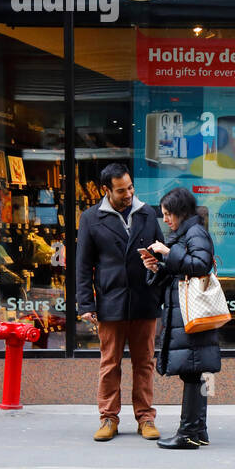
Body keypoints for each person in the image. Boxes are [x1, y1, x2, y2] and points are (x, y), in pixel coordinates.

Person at [75, 163, 164, 442]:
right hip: (110, 300)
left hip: (144, 299)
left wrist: (157, 265)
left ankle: (146, 417)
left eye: (130, 187)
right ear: (107, 190)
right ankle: (108, 418)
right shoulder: (91, 218)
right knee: (110, 363)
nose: (128, 194)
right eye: (121, 190)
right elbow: (83, 264)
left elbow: (160, 252)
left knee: (145, 362)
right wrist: (86, 304)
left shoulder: (147, 213)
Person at [141, 187, 221, 450]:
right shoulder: (184, 233)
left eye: (168, 214)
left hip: (192, 314)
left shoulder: (195, 232)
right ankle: (199, 430)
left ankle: (188, 432)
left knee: (193, 372)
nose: (165, 220)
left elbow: (200, 265)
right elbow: (179, 270)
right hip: (185, 314)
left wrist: (167, 252)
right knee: (196, 373)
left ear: (180, 212)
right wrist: (157, 267)